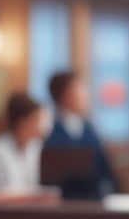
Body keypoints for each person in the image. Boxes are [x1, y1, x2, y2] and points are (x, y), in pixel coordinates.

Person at [42, 70, 117, 199]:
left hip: (94, 200)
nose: (86, 97)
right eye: (80, 91)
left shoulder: (89, 129)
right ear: (64, 95)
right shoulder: (48, 131)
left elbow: (104, 169)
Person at [0, 92, 44, 192]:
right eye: (36, 120)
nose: (39, 127)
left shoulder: (36, 146)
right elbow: (2, 191)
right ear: (22, 122)